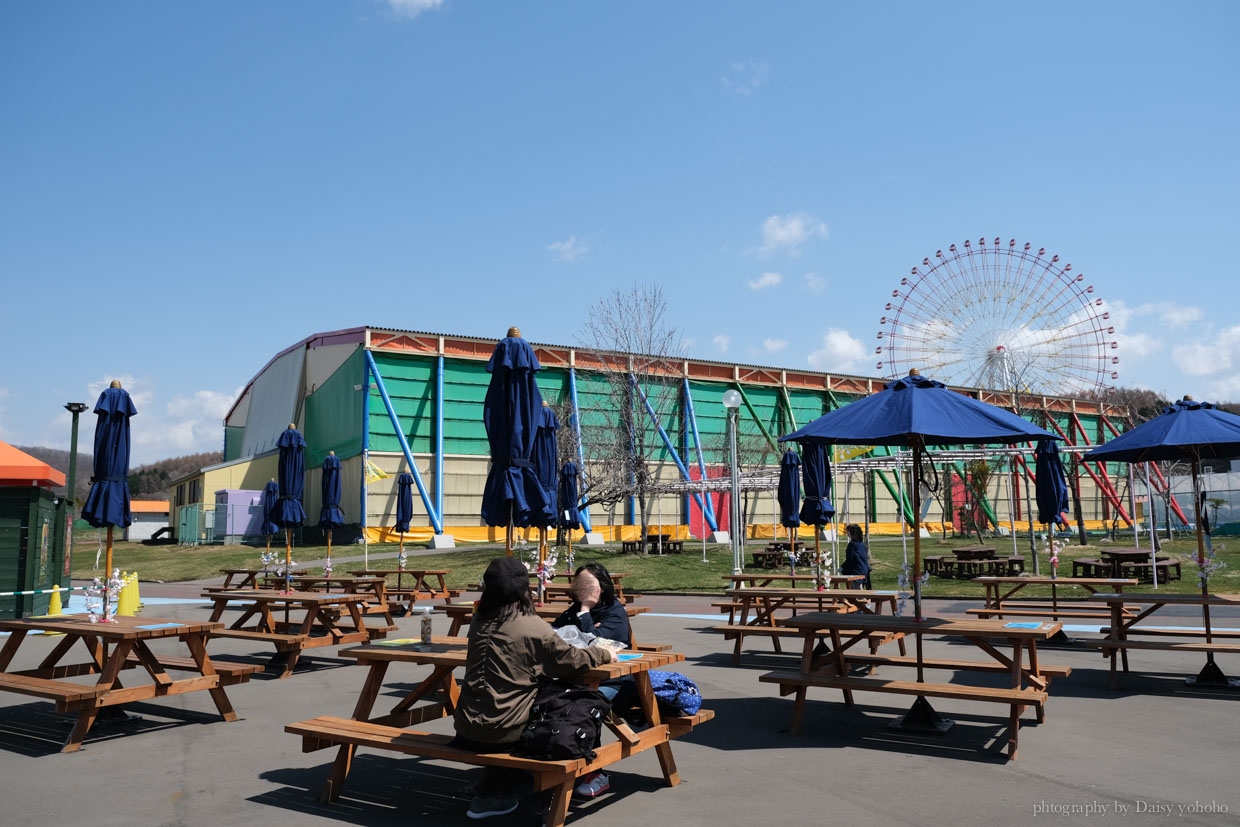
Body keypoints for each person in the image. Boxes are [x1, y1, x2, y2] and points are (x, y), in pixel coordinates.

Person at [453, 557, 613, 819]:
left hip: (465, 726)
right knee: (565, 699)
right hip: (502, 732)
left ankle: (498, 788)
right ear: (524, 589)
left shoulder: (478, 621)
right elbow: (572, 661)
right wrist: (604, 654)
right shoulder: (532, 626)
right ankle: (512, 790)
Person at [550, 562, 630, 799]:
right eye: (579, 585)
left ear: (602, 587)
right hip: (574, 678)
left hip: (611, 681)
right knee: (539, 697)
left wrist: (585, 611)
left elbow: (597, 645)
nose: (581, 589)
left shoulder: (615, 612)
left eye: (587, 584)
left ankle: (595, 772)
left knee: (585, 705)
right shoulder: (572, 609)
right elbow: (555, 634)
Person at [840, 523, 871, 589]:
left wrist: (842, 567)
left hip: (857, 570)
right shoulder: (861, 544)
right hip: (863, 569)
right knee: (857, 588)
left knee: (857, 589)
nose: (847, 533)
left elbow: (849, 559)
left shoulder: (852, 545)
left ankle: (863, 599)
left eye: (848, 531)